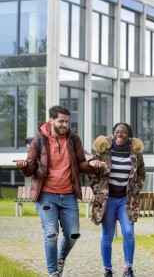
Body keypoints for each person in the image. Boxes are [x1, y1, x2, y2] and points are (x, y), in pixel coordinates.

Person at [14, 105, 96, 277]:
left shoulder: (74, 139)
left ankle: (61, 258)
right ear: (51, 120)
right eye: (61, 121)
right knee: (51, 234)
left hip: (68, 196)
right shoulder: (38, 141)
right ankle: (53, 272)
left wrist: (90, 165)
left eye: (67, 121)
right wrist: (23, 167)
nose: (65, 125)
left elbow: (81, 163)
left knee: (73, 234)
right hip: (46, 195)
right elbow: (31, 169)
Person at [89, 122, 146, 277]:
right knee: (107, 235)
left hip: (126, 200)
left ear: (129, 135)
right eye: (117, 132)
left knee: (128, 233)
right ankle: (107, 269)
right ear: (113, 134)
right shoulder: (103, 150)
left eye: (123, 132)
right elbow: (92, 171)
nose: (120, 134)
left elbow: (141, 172)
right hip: (107, 200)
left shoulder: (135, 152)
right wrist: (97, 191)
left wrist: (135, 189)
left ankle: (128, 268)